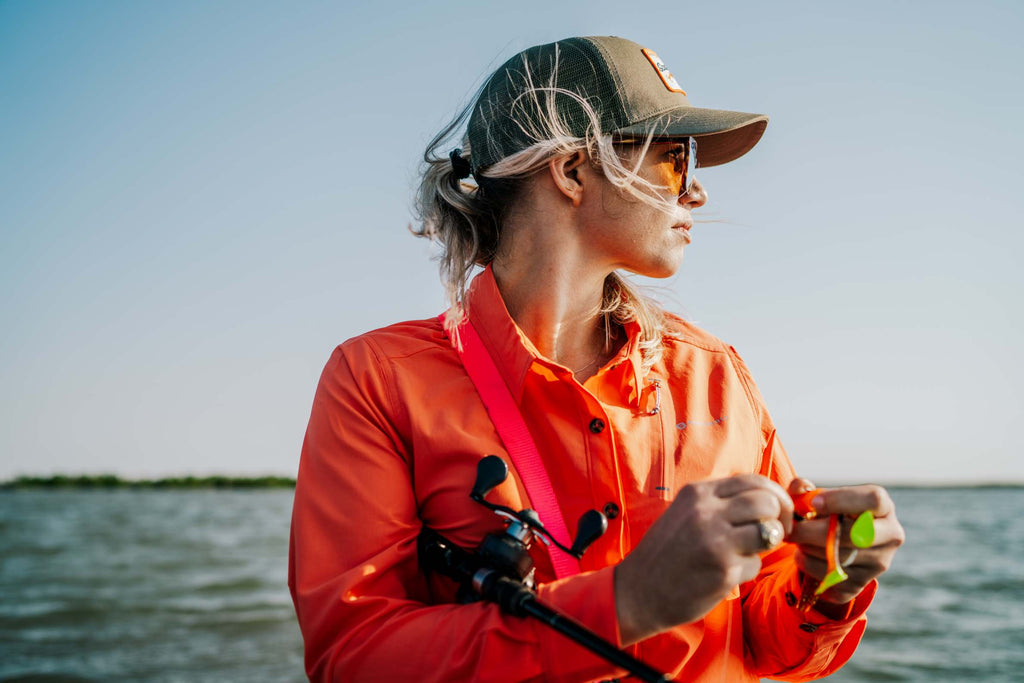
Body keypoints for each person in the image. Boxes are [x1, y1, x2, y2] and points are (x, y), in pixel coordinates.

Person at [288, 36, 905, 682]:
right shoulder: (377, 380)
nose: (694, 194)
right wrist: (626, 602)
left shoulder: (717, 373)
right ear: (573, 169)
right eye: (674, 160)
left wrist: (829, 584)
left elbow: (768, 641)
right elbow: (352, 658)